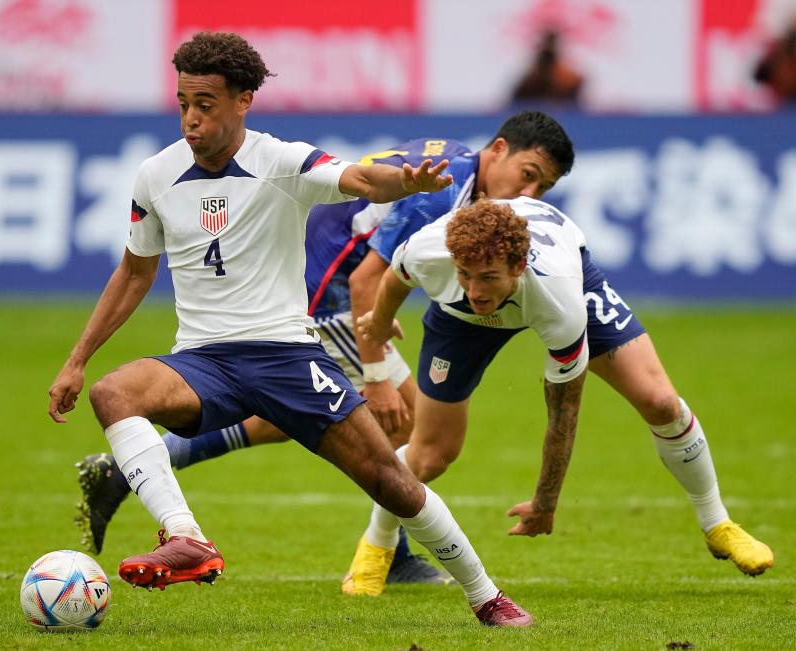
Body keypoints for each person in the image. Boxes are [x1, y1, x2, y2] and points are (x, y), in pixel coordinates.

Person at [49, 31, 533, 627]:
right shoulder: (156, 176)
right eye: (183, 104)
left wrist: (405, 182)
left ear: (243, 101)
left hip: (288, 357)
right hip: (203, 362)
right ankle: (186, 538)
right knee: (112, 393)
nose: (191, 120)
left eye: (206, 105)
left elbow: (358, 178)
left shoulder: (281, 160)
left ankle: (488, 597)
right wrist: (77, 359)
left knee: (392, 481)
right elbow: (133, 271)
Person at [74, 138, 473, 588]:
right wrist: (376, 371)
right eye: (527, 175)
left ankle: (121, 470)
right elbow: (366, 269)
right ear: (500, 151)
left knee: (282, 416)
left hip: (325, 282)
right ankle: (392, 556)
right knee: (408, 423)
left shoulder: (450, 155)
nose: (529, 191)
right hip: (327, 295)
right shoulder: (452, 182)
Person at [342, 193, 775, 597]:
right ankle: (378, 543)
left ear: (518, 267)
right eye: (466, 275)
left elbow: (563, 412)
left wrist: (546, 502)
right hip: (460, 322)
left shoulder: (560, 301)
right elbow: (394, 281)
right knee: (430, 454)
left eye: (488, 277)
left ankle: (717, 523)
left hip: (564, 280)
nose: (475, 289)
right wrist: (379, 325)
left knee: (660, 402)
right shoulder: (430, 252)